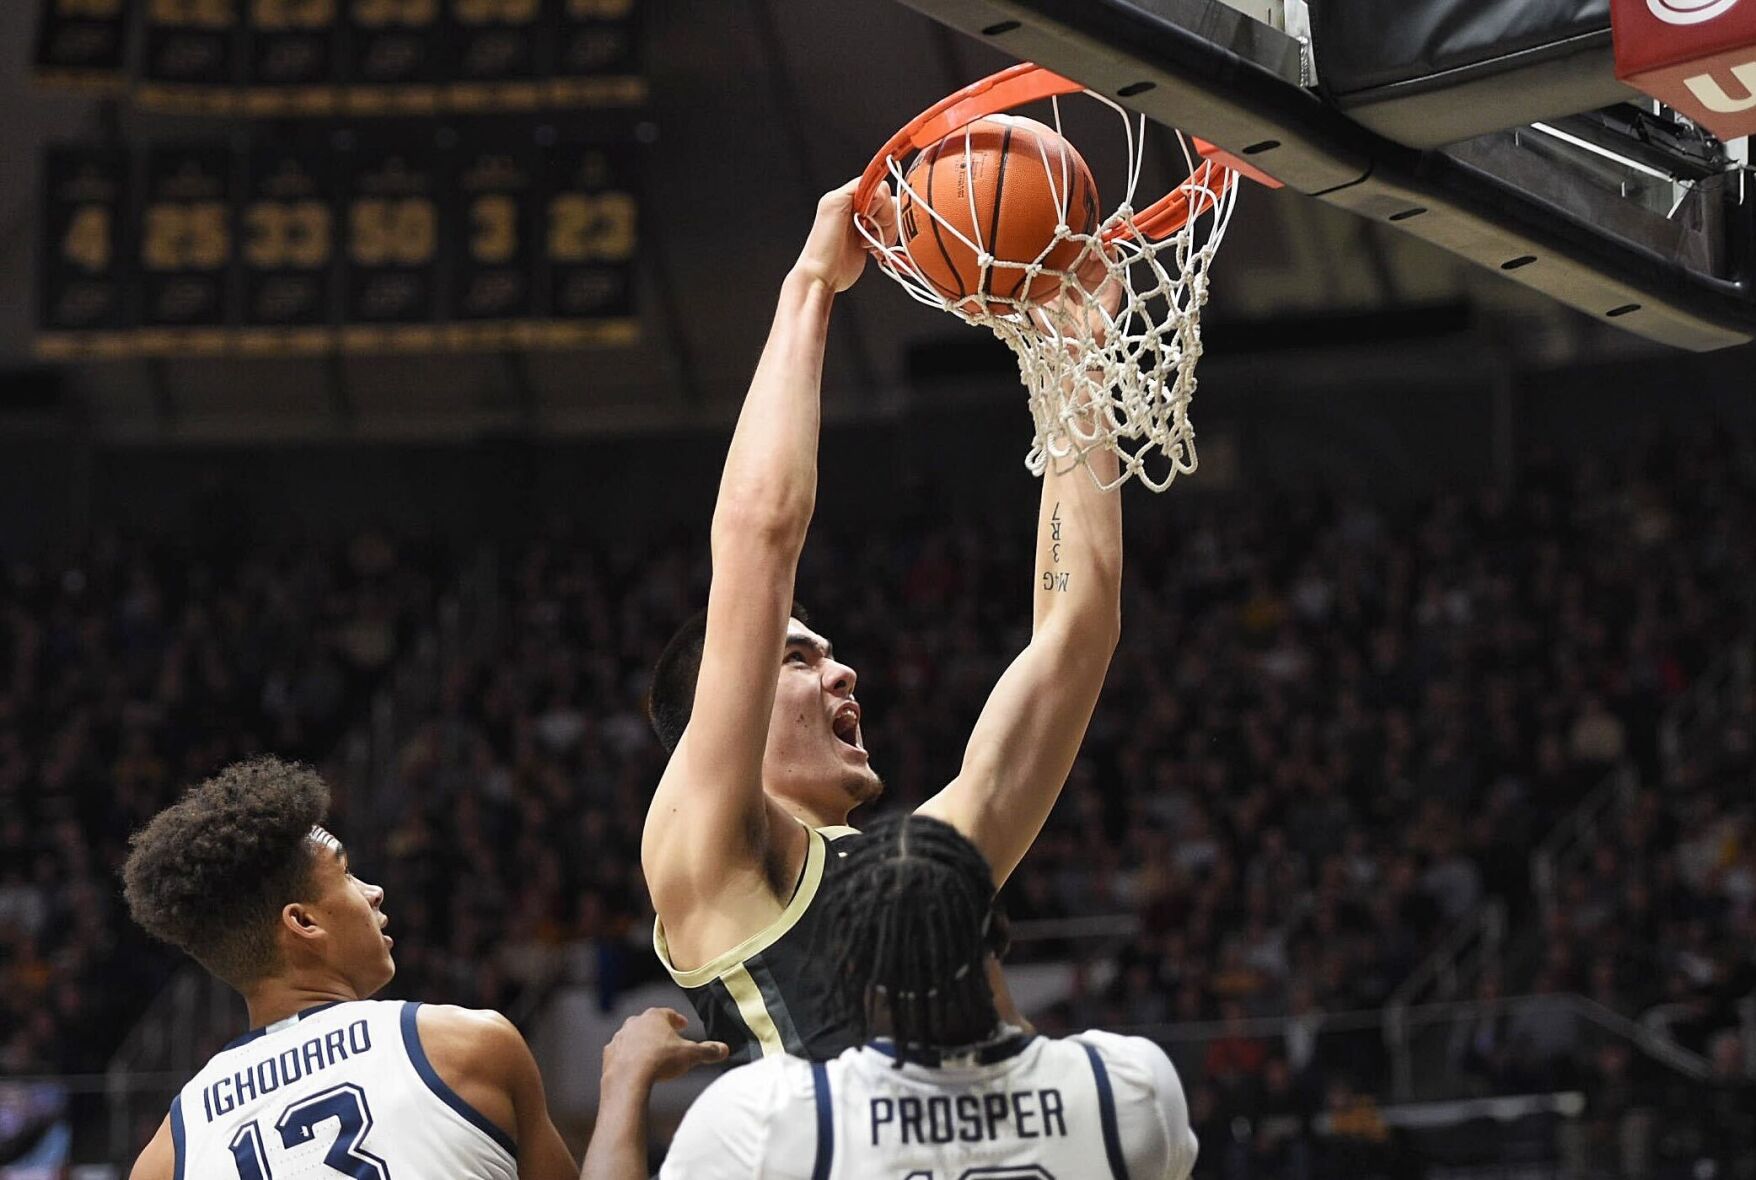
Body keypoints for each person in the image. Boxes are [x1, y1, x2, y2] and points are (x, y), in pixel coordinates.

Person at [642, 178, 1125, 1062]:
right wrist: (813, 285)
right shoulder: (710, 855)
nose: (843, 671)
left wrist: (1080, 362)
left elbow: (1075, 636)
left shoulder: (924, 869)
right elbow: (758, 540)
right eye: (798, 658)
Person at [584, 813, 1196, 1180]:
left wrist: (624, 1080)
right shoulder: (1127, 1088)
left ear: (847, 967)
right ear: (1000, 936)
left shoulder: (776, 1119)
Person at [121, 757, 576, 1180]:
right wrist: (624, 1086)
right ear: (303, 922)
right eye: (346, 875)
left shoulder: (167, 1157)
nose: (373, 891)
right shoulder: (465, 1046)